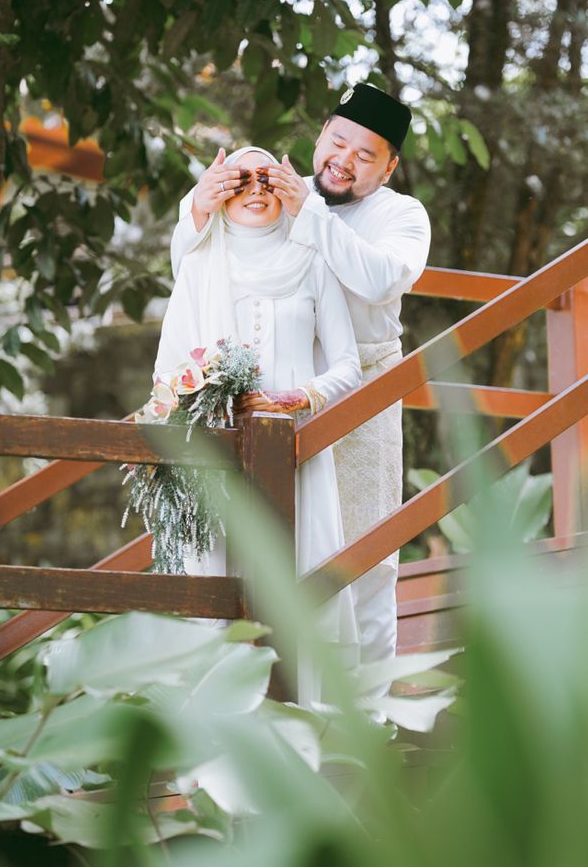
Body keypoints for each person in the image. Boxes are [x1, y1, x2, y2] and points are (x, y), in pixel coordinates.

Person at [171, 84, 431, 690]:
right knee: (284, 550)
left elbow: (379, 280)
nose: (344, 159)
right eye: (337, 141)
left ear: (390, 165)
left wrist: (308, 214)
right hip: (277, 397)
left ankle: (369, 714)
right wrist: (199, 211)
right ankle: (281, 696)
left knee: (365, 552)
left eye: (366, 155)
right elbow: (198, 268)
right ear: (320, 137)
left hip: (359, 389)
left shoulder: (401, 215)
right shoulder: (274, 192)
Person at [156, 146, 361, 706]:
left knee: (296, 578)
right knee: (221, 578)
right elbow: (169, 370)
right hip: (218, 455)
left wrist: (304, 394)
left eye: (268, 179)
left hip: (297, 451)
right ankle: (217, 742)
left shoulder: (313, 261)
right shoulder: (200, 265)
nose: (255, 190)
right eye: (241, 179)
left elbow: (349, 367)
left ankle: (301, 728)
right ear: (222, 191)